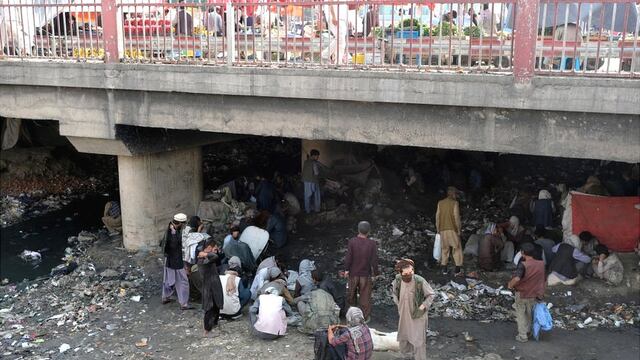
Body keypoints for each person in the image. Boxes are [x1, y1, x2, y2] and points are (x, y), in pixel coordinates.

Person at [392, 259, 435, 360]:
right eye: (406, 273)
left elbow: (431, 295)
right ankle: (407, 356)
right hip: (403, 314)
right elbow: (394, 292)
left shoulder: (419, 281)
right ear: (400, 273)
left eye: (411, 272)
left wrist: (423, 306)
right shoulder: (398, 280)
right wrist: (398, 303)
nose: (409, 275)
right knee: (404, 337)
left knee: (418, 340)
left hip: (417, 316)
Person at [507, 243, 546, 343]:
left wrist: (510, 285)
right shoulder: (541, 264)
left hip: (522, 293)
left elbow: (517, 278)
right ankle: (528, 331)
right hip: (535, 293)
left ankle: (522, 336)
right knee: (529, 314)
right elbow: (543, 280)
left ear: (522, 253)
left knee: (521, 314)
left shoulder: (523, 265)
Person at [343, 221, 379, 321]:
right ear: (369, 231)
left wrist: (346, 269)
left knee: (351, 295)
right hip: (365, 275)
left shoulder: (352, 241)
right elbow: (374, 260)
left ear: (358, 230)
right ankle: (364, 318)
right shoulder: (371, 243)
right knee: (365, 297)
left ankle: (351, 316)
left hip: (353, 274)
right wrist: (375, 273)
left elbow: (348, 257)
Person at [162, 213, 192, 310]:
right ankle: (184, 303)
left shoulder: (170, 229)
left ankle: (165, 297)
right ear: (179, 223)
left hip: (170, 260)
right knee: (183, 282)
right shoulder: (172, 232)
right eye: (182, 224)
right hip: (176, 261)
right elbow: (175, 246)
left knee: (168, 280)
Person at [197, 238, 224, 337]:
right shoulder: (203, 259)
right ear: (209, 248)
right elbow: (215, 256)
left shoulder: (208, 258)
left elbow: (217, 257)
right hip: (209, 288)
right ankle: (207, 330)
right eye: (214, 249)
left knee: (216, 306)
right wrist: (205, 254)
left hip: (214, 285)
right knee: (209, 308)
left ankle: (214, 324)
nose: (216, 251)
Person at [436, 186, 463, 276]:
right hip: (452, 230)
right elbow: (456, 218)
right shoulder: (454, 203)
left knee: (444, 249)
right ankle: (457, 270)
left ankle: (444, 269)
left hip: (442, 230)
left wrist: (438, 229)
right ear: (453, 194)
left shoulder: (440, 203)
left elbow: (437, 217)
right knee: (457, 248)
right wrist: (459, 229)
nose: (456, 195)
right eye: (456, 193)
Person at [302, 149, 322, 213]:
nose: (318, 158)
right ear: (313, 155)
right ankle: (317, 209)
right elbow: (316, 173)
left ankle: (307, 210)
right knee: (317, 195)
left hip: (306, 181)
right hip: (313, 181)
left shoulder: (305, 162)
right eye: (317, 156)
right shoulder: (314, 163)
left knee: (307, 196)